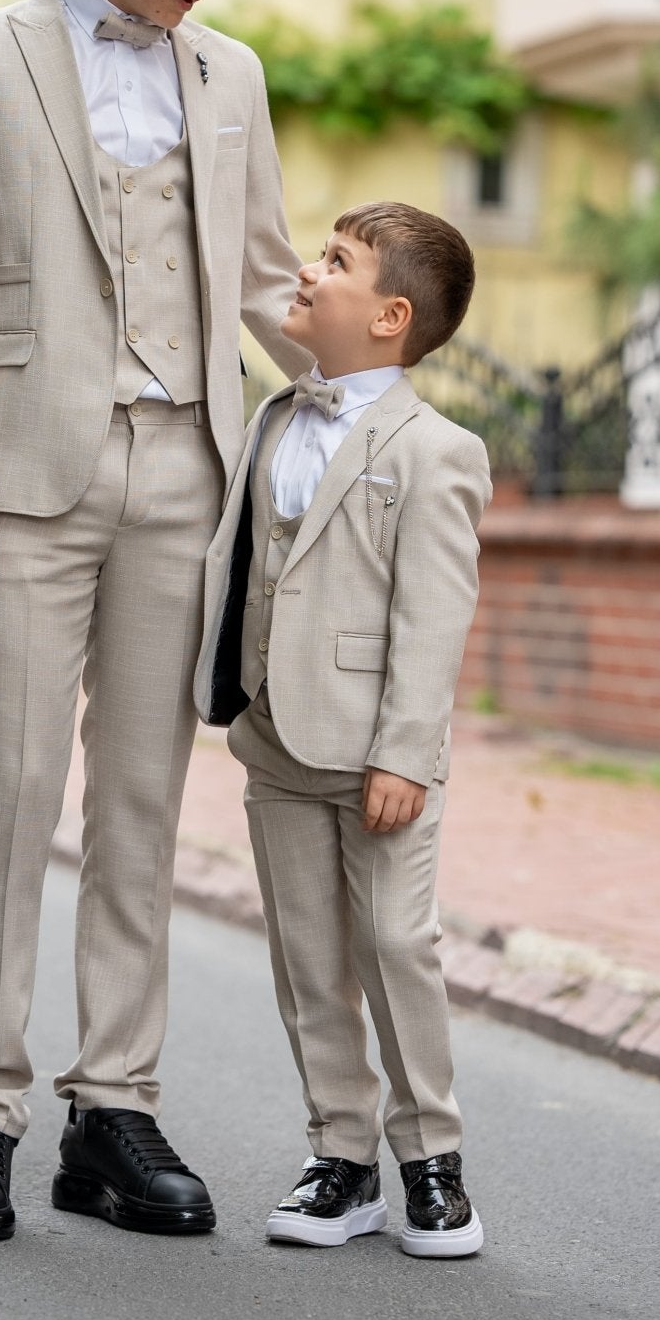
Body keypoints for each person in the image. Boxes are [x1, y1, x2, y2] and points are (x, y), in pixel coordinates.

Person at [0, 0, 308, 1241]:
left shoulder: (232, 79)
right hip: (21, 479)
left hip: (183, 475)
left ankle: (113, 1110)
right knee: (4, 799)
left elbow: (264, 281)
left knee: (141, 802)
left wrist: (377, 392)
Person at [194, 202, 491, 1255]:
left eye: (337, 261)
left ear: (389, 315)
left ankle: (431, 1159)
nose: (310, 272)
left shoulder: (436, 451)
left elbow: (433, 613)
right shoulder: (275, 417)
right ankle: (342, 1155)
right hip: (276, 739)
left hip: (377, 754)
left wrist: (407, 752)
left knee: (395, 943)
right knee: (308, 955)